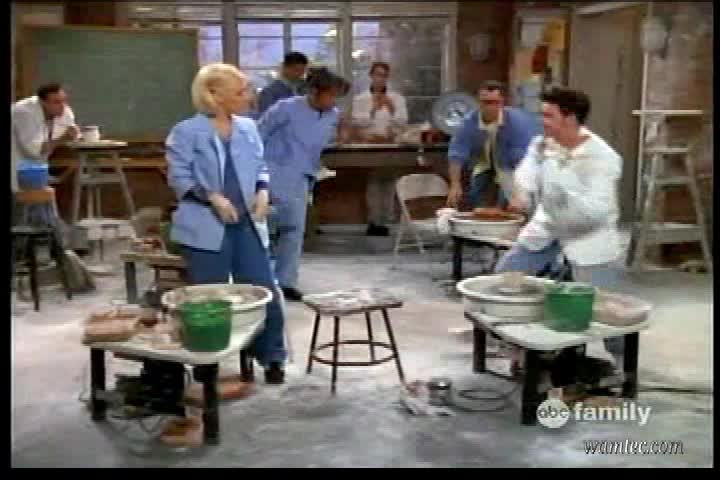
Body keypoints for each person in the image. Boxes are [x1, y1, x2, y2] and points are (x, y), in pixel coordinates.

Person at [166, 63, 287, 384]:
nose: (248, 96)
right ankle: (207, 361)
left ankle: (272, 357)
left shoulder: (248, 127)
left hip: (246, 224)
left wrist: (263, 190)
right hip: (206, 226)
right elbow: (179, 178)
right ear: (215, 95)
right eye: (241, 91)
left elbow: (260, 166)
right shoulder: (186, 132)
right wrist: (213, 198)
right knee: (209, 299)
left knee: (264, 291)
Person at [497, 86, 624, 366]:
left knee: (609, 313)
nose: (542, 121)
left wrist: (561, 197)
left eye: (548, 116)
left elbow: (596, 211)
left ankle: (624, 369)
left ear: (570, 118)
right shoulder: (543, 144)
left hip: (588, 236)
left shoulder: (602, 158)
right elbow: (528, 168)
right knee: (506, 275)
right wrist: (522, 193)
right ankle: (521, 349)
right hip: (547, 227)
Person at [257, 67, 350, 301]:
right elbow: (257, 136)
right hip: (272, 174)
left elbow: (320, 143)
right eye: (330, 94)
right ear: (314, 91)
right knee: (265, 229)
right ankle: (261, 282)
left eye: (336, 96)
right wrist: (255, 174)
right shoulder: (285, 108)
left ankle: (286, 282)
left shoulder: (332, 115)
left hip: (302, 178)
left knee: (294, 231)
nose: (334, 101)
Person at [446, 81, 538, 209]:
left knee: (508, 200)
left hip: (510, 164)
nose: (489, 107)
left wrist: (519, 192)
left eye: (494, 102)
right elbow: (456, 154)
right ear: (478, 102)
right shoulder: (468, 123)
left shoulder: (518, 123)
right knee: (474, 197)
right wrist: (455, 185)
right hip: (482, 162)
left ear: (502, 103)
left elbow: (523, 161)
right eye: (485, 102)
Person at [351, 62, 409, 236]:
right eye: (377, 74)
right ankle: (374, 221)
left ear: (387, 77)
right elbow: (357, 122)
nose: (380, 78)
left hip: (390, 144)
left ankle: (386, 221)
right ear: (371, 75)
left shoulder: (397, 98)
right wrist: (372, 110)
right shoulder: (360, 99)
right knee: (374, 183)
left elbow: (403, 121)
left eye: (384, 75)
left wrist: (392, 109)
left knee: (389, 182)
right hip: (370, 145)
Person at [11, 83, 79, 193]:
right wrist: (63, 138)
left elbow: (72, 130)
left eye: (64, 100)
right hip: (17, 164)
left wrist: (75, 134)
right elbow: (33, 150)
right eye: (56, 102)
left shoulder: (64, 110)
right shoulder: (24, 113)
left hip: (36, 169)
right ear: (43, 102)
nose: (63, 106)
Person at [257, 51, 309, 116]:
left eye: (303, 71)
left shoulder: (306, 89)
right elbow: (266, 118)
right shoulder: (269, 92)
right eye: (297, 70)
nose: (300, 74)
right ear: (285, 68)